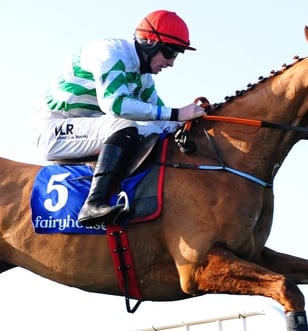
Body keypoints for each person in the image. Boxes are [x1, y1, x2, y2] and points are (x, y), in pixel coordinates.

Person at [33, 10, 206, 227]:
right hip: (55, 130)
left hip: (91, 128)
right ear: (150, 42)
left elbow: (163, 122)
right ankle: (94, 204)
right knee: (123, 125)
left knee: (155, 133)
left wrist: (198, 121)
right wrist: (177, 113)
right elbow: (115, 105)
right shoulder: (110, 54)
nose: (171, 63)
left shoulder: (143, 79)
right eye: (171, 53)